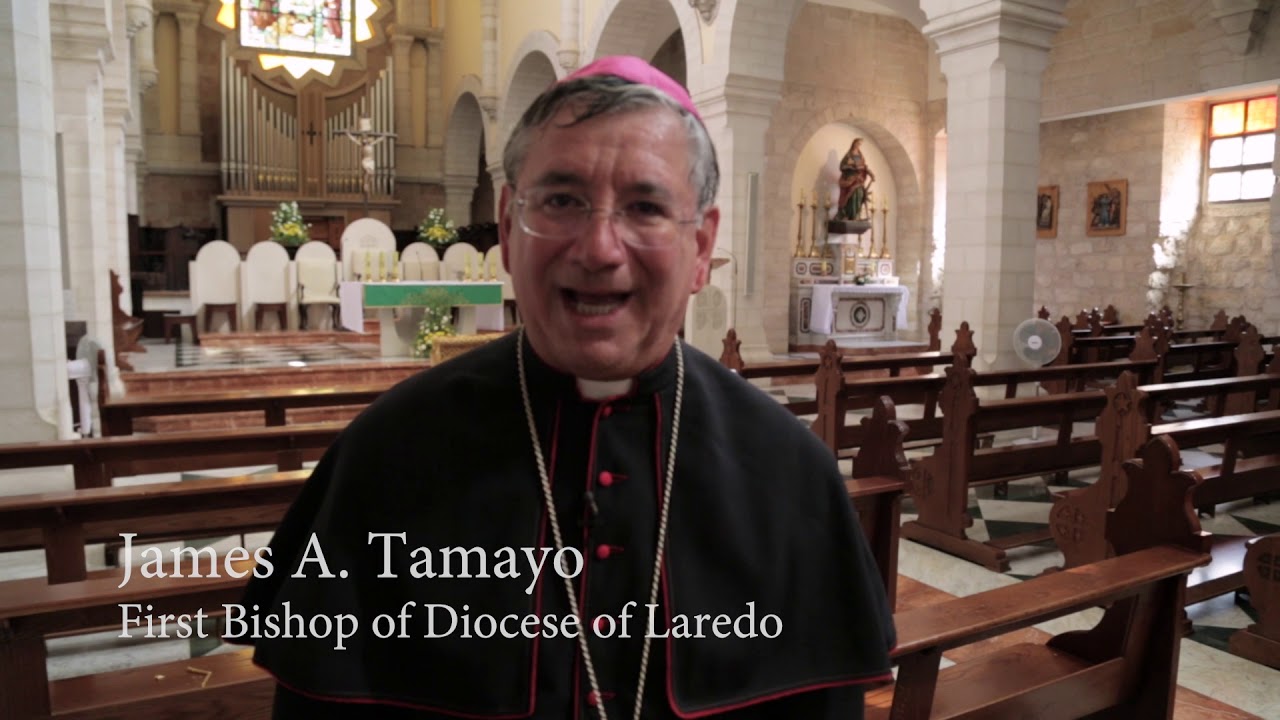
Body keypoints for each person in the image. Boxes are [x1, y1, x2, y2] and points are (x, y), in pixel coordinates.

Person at [234, 55, 894, 719]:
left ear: (700, 247)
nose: (600, 248)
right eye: (561, 201)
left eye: (645, 206)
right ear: (507, 229)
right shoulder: (384, 455)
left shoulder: (789, 473)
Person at [836, 138, 875, 221]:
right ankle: (847, 214)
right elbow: (842, 166)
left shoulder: (860, 155)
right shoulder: (849, 155)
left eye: (860, 144)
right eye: (857, 143)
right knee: (851, 195)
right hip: (850, 178)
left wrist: (870, 173)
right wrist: (851, 166)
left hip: (859, 178)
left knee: (860, 194)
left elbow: (864, 166)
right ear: (854, 143)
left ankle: (856, 215)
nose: (858, 145)